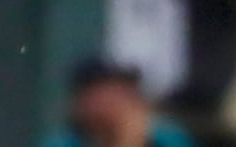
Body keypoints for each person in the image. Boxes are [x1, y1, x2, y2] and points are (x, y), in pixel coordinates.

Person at [39, 59, 192, 147]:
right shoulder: (62, 144)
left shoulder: (166, 138)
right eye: (109, 95)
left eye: (125, 94)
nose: (120, 104)